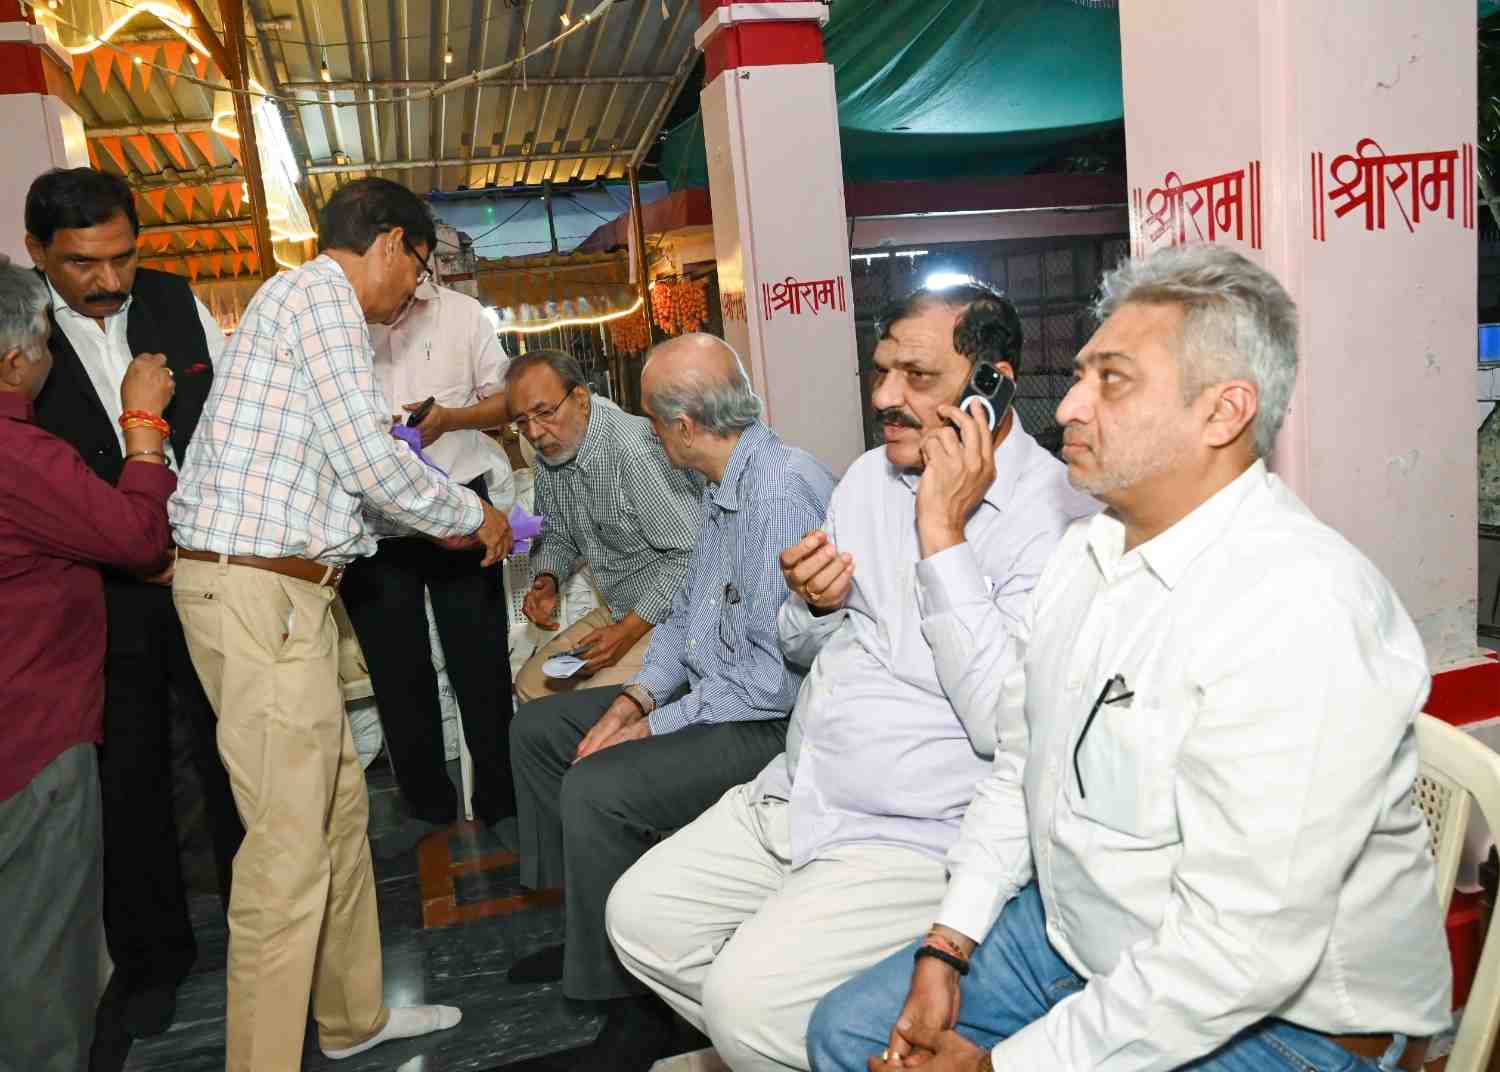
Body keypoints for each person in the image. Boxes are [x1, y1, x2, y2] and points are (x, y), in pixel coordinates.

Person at [807, 245, 1453, 1072]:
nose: (1068, 406)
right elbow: (1021, 763)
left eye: (1111, 380)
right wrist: (948, 943)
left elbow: (1234, 955)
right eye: (1081, 375)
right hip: (1081, 942)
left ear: (1222, 413)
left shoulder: (1300, 606)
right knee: (846, 1033)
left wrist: (1005, 1067)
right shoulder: (1086, 552)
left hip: (1287, 1025)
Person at [605, 283, 1098, 1072]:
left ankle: (797, 1040)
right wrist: (812, 605)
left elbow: (1001, 723)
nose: (884, 398)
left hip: (915, 830)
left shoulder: (1058, 518)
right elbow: (801, 646)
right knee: (640, 920)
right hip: (804, 788)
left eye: (918, 376)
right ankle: (811, 1048)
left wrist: (942, 534)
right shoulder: (869, 478)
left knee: (744, 1004)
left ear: (992, 385)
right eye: (881, 370)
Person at [168, 177, 513, 1071]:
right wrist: (474, 515)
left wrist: (433, 504)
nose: (414, 288)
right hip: (258, 596)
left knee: (335, 817)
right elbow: (368, 463)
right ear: (391, 242)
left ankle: (353, 1016)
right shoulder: (319, 297)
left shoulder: (306, 307)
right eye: (419, 266)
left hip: (285, 594)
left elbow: (348, 469)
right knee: (287, 853)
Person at [507, 333, 836, 1066]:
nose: (649, 434)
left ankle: (634, 1005)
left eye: (654, 422)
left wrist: (661, 721)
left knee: (596, 785)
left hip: (772, 725)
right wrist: (636, 698)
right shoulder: (721, 483)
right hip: (721, 694)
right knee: (540, 732)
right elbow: (689, 610)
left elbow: (772, 682)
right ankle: (584, 928)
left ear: (684, 427)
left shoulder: (780, 494)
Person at [24, 166, 245, 1038]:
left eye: (122, 256)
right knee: (129, 772)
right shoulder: (20, 330)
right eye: (83, 263)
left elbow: (225, 426)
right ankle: (154, 961)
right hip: (101, 590)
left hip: (200, 565)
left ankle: (258, 925)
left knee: (234, 747)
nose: (109, 280)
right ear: (38, 252)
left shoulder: (173, 299)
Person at [0, 262, 178, 1071]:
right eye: (44, 343)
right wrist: (143, 428)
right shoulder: (20, 454)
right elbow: (134, 537)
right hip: (32, 733)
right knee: (43, 954)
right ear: (16, 360)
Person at [339, 277, 518, 856]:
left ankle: (501, 802)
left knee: (481, 662)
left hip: (460, 502)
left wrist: (451, 419)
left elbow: (507, 401)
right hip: (375, 516)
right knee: (397, 671)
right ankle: (425, 805)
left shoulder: (463, 314)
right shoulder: (343, 320)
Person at [506, 349, 702, 702]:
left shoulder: (634, 450)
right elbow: (557, 535)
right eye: (522, 421)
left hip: (682, 615)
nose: (534, 432)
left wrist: (627, 631)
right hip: (620, 607)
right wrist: (548, 580)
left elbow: (691, 554)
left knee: (582, 706)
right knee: (532, 687)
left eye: (545, 413)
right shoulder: (551, 455)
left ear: (581, 399)